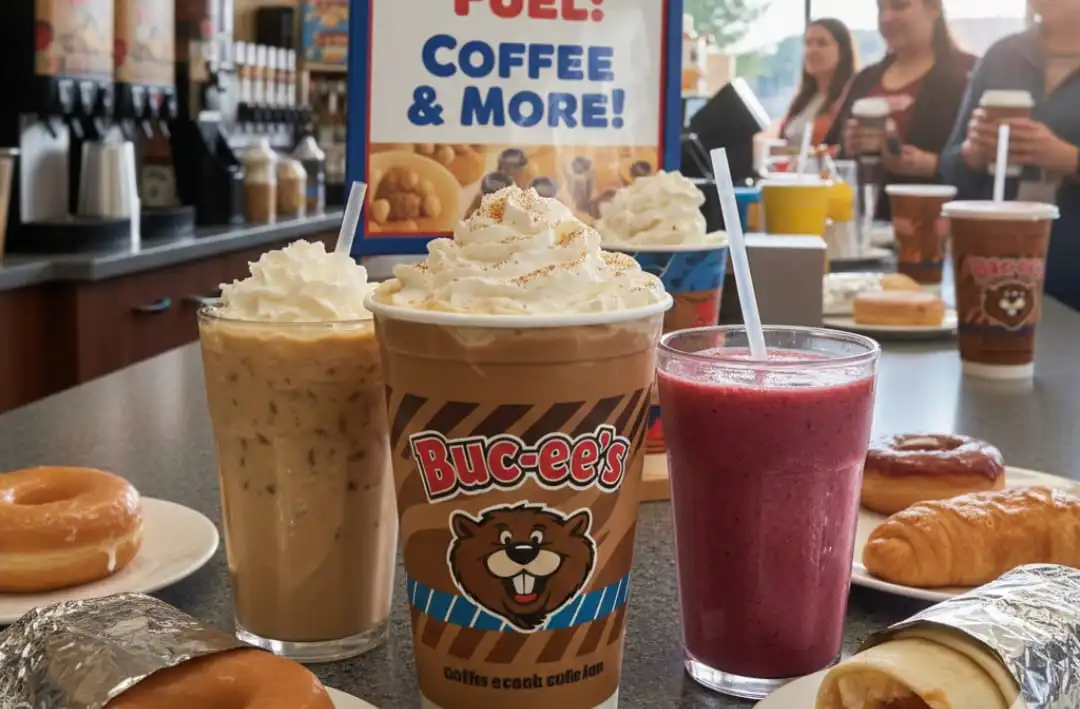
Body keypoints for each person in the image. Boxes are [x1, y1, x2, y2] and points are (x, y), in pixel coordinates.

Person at [940, 0, 1080, 311]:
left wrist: (1071, 160)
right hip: (994, 268)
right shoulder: (1002, 56)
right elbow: (949, 166)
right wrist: (973, 154)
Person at [825, 0, 977, 219]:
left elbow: (988, 162)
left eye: (899, 6)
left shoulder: (968, 75)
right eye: (881, 9)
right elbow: (832, 154)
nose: (887, 18)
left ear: (933, 8)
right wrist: (848, 147)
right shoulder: (865, 80)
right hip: (866, 219)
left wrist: (932, 164)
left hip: (934, 221)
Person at [780, 18, 857, 147]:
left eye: (822, 43)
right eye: (808, 43)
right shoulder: (803, 100)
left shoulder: (850, 99)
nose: (812, 50)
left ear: (843, 52)